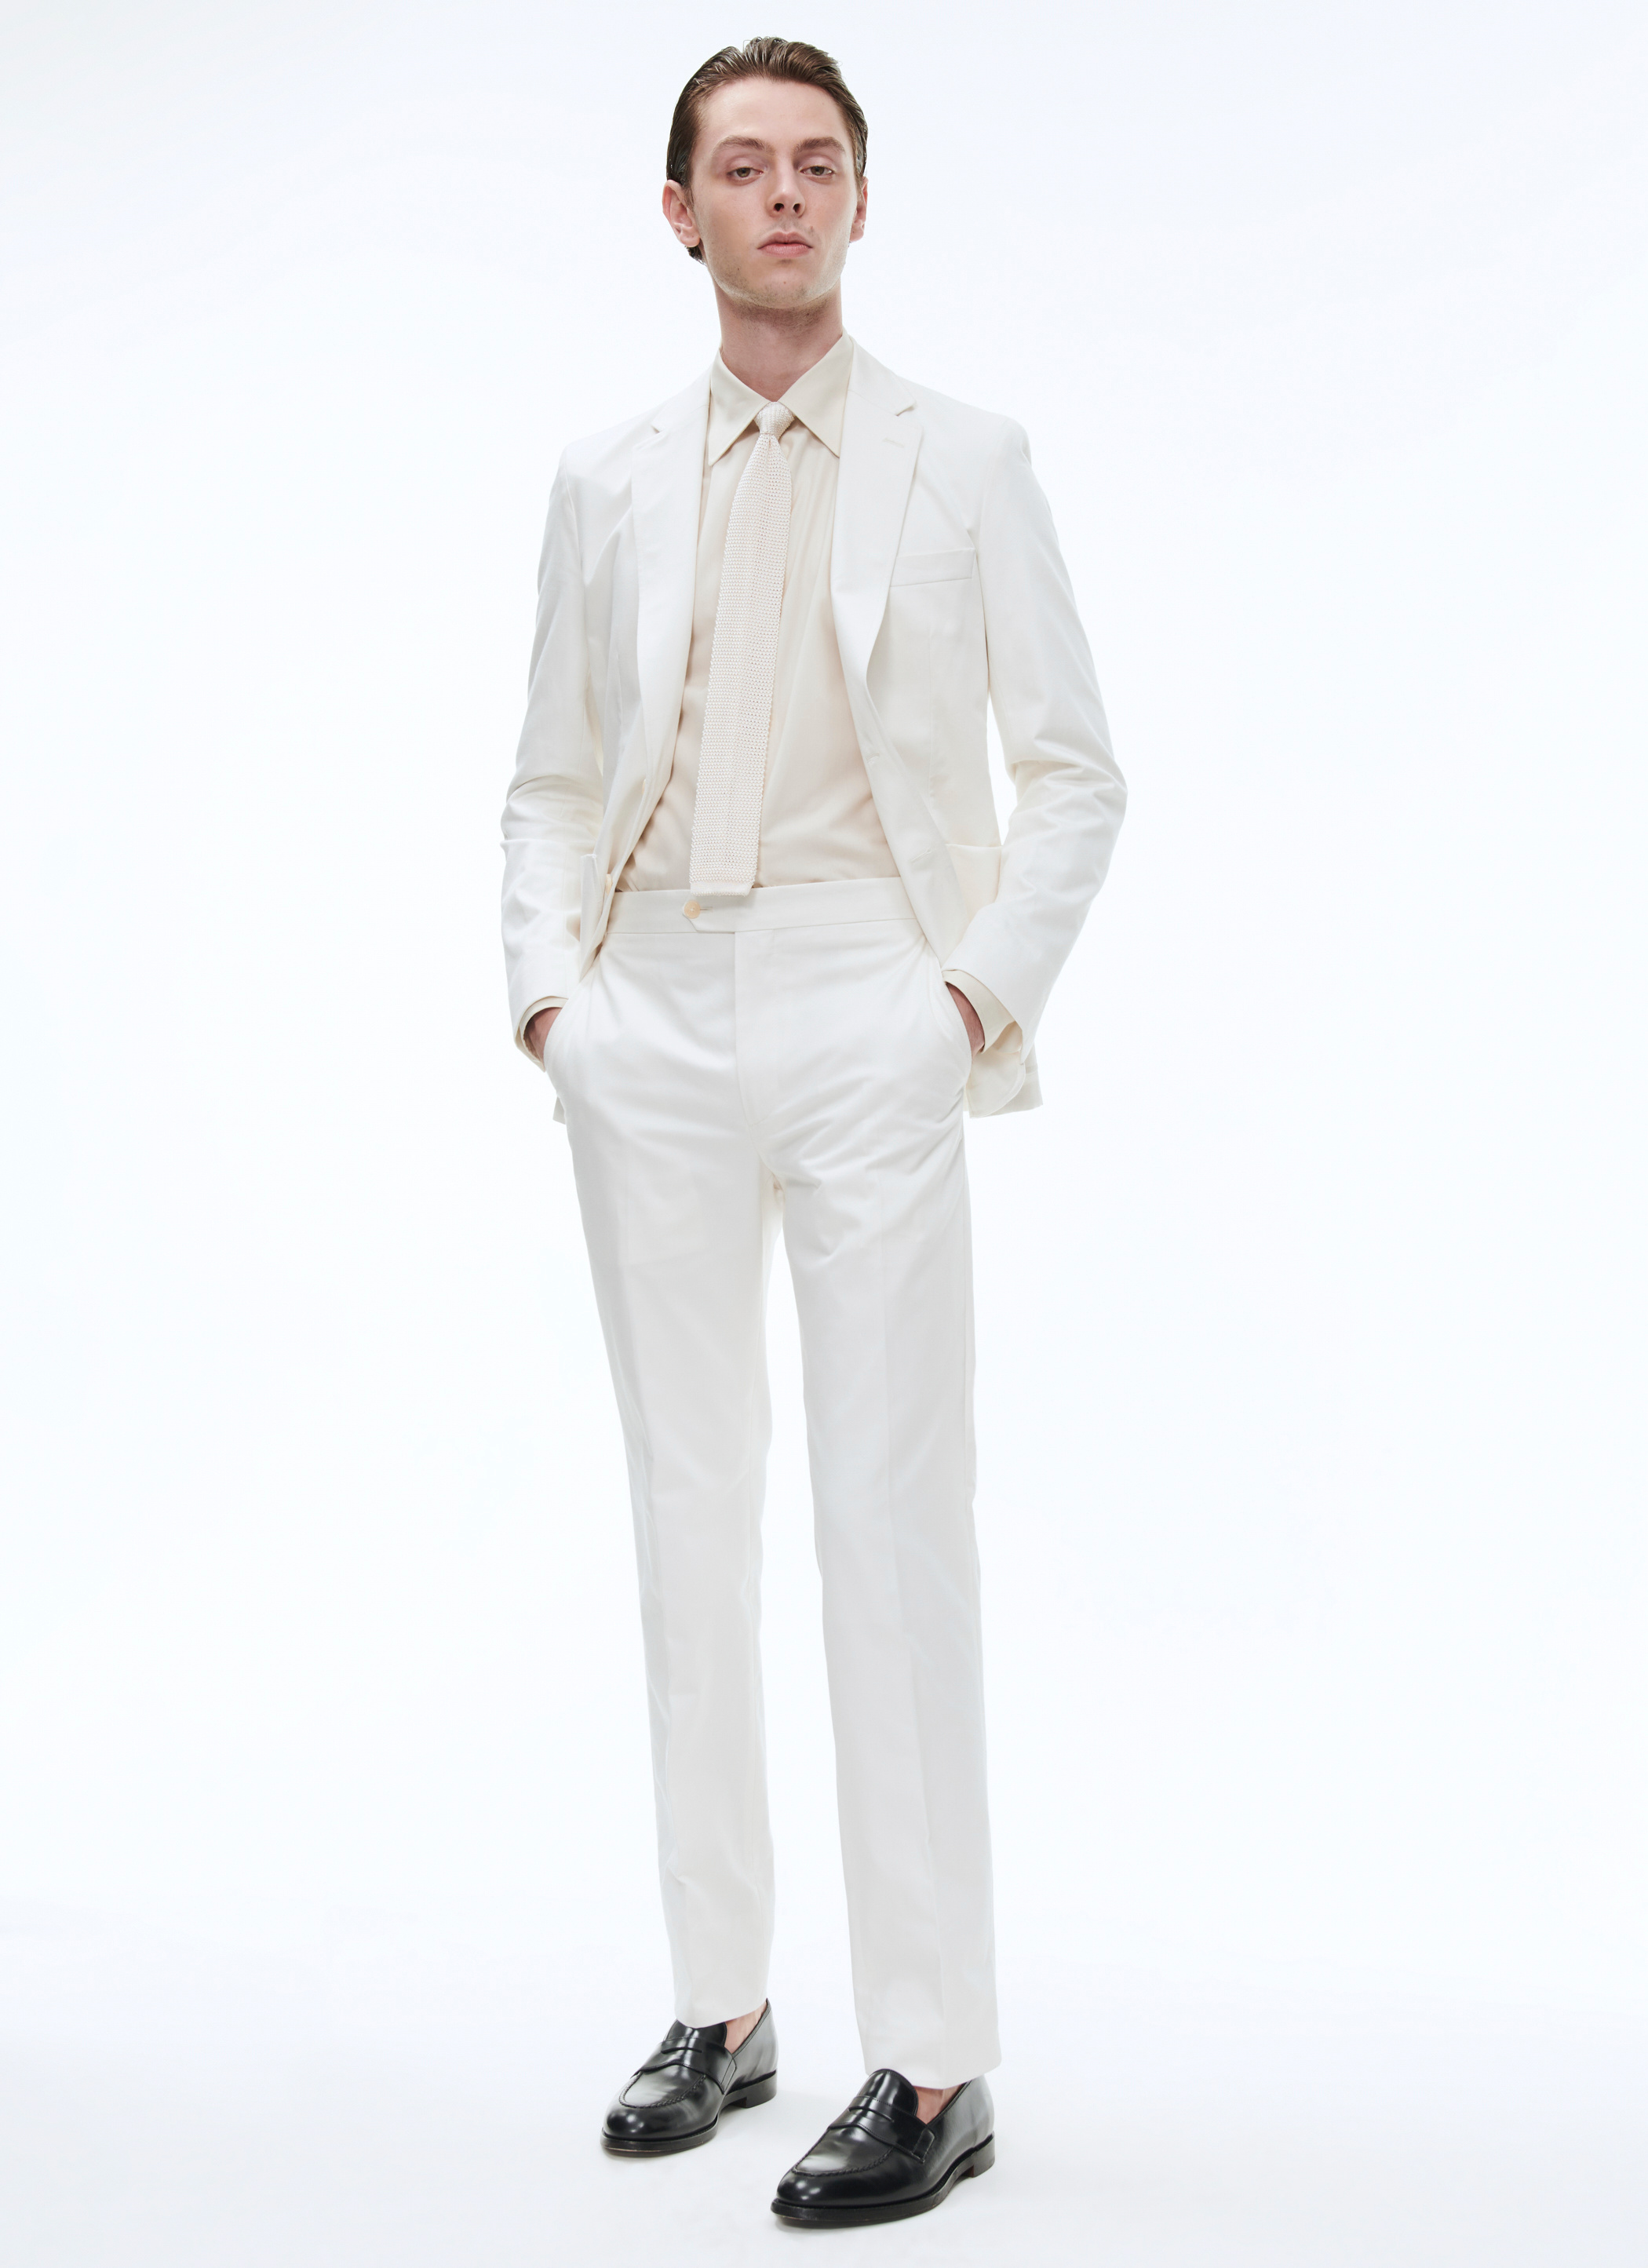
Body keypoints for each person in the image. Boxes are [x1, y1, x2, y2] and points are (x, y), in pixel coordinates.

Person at [500, 36, 1125, 2229]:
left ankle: (933, 2057)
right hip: (651, 1016)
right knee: (688, 1517)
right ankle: (723, 2007)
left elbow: (1076, 769)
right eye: (745, 166)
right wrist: (555, 1004)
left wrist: (962, 1002)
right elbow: (550, 775)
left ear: (862, 199)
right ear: (678, 212)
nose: (785, 194)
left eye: (819, 163)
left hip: (873, 994)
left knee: (889, 1518)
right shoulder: (603, 478)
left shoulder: (968, 460)